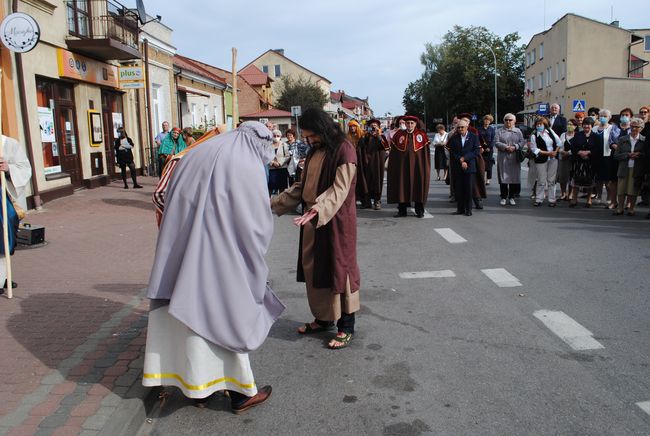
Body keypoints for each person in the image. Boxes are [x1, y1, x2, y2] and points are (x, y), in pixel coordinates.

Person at [143, 121, 284, 413]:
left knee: (188, 319)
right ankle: (240, 394)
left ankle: (198, 388)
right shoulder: (244, 162)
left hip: (182, 250)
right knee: (227, 315)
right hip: (221, 255)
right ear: (258, 140)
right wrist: (255, 254)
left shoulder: (196, 152)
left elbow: (166, 198)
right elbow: (255, 223)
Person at [271, 108, 360, 350]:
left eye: (310, 135)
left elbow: (340, 190)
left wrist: (317, 210)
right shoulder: (314, 151)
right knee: (315, 271)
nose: (308, 140)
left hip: (335, 221)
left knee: (339, 271)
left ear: (322, 129)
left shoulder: (344, 149)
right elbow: (302, 186)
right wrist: (271, 203)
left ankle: (346, 326)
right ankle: (324, 319)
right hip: (312, 220)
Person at [0, 135, 32, 294]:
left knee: (6, 231)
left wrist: (8, 169)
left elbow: (24, 167)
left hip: (1, 197)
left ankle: (3, 276)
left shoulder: (7, 143)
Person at [387, 115, 431, 218]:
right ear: (405, 124)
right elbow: (394, 154)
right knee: (402, 186)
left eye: (412, 123)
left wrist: (424, 168)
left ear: (415, 124)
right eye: (408, 123)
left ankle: (419, 210)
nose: (410, 125)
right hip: (402, 168)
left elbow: (425, 155)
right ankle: (402, 211)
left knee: (418, 186)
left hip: (417, 167)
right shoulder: (398, 135)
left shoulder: (422, 136)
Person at [612, 118, 646, 216]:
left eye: (637, 127)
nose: (634, 128)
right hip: (623, 168)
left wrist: (638, 154)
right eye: (632, 126)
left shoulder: (644, 140)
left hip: (636, 168)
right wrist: (628, 155)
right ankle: (620, 208)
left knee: (633, 190)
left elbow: (646, 154)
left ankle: (631, 208)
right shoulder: (622, 139)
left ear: (641, 128)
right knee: (621, 190)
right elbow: (616, 155)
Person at [448, 119, 480, 216]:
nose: (460, 129)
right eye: (458, 127)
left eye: (462, 127)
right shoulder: (454, 138)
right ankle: (460, 209)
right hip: (458, 166)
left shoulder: (473, 137)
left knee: (469, 189)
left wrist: (465, 159)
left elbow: (476, 151)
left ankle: (468, 209)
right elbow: (453, 152)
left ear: (467, 127)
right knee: (459, 189)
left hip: (469, 166)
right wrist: (461, 160)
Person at [569, 117, 602, 207]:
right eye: (585, 124)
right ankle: (574, 199)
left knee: (589, 182)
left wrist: (588, 152)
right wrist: (580, 152)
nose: (586, 126)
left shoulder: (596, 137)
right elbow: (573, 147)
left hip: (590, 161)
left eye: (588, 124)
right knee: (576, 181)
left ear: (592, 126)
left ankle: (589, 199)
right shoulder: (578, 135)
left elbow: (598, 149)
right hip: (578, 161)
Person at [529, 117, 561, 206]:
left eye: (541, 124)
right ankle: (539, 199)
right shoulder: (534, 135)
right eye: (537, 124)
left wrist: (555, 152)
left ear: (545, 125)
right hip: (541, 159)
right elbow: (534, 149)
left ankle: (552, 199)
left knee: (551, 180)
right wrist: (548, 153)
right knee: (541, 180)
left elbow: (559, 143)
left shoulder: (550, 132)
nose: (539, 126)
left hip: (553, 159)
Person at [494, 114, 525, 206]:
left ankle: (511, 197)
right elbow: (496, 142)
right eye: (506, 120)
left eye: (510, 120)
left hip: (514, 157)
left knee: (513, 178)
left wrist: (515, 147)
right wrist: (505, 147)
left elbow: (522, 141)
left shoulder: (518, 131)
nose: (508, 122)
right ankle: (503, 197)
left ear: (514, 121)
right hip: (503, 157)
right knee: (503, 178)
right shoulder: (499, 131)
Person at [360, 119, 389, 210]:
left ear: (378, 127)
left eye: (375, 125)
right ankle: (367, 201)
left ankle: (377, 201)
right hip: (367, 162)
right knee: (367, 181)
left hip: (377, 162)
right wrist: (365, 135)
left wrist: (378, 136)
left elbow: (385, 147)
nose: (373, 127)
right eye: (371, 125)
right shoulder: (366, 136)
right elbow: (361, 146)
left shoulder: (382, 136)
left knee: (377, 181)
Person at [593, 109, 620, 208]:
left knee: (607, 179)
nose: (602, 118)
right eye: (601, 116)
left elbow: (615, 141)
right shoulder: (594, 128)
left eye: (605, 116)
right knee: (598, 178)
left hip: (608, 156)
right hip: (596, 156)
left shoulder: (613, 128)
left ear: (609, 117)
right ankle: (598, 196)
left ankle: (609, 197)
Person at [347, 120, 368, 207]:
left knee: (362, 182)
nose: (352, 128)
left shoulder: (362, 137)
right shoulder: (346, 138)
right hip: (351, 163)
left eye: (354, 126)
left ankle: (365, 202)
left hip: (361, 163)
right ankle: (352, 201)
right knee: (351, 182)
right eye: (351, 126)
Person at [558, 119, 578, 201]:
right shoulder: (563, 134)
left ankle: (570, 194)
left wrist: (569, 152)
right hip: (563, 158)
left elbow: (577, 146)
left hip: (573, 158)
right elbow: (559, 145)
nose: (569, 126)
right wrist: (562, 151)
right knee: (562, 177)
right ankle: (563, 193)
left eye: (571, 124)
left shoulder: (577, 135)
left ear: (575, 126)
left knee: (571, 177)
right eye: (568, 124)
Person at [268, 129, 291, 195]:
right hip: (271, 169)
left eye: (278, 136)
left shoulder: (284, 145)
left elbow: (287, 156)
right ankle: (269, 203)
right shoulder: (269, 145)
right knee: (270, 187)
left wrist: (280, 163)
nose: (276, 137)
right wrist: (272, 162)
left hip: (282, 168)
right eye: (274, 135)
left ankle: (280, 203)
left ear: (280, 136)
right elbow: (266, 156)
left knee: (282, 188)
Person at [477, 115, 495, 186]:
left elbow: (493, 139)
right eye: (486, 119)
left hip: (489, 149)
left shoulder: (492, 129)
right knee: (481, 164)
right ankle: (482, 178)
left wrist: (489, 147)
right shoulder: (479, 129)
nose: (487, 121)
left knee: (489, 165)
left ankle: (488, 180)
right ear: (483, 120)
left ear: (490, 121)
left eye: (488, 120)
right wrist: (481, 147)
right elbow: (477, 139)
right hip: (481, 149)